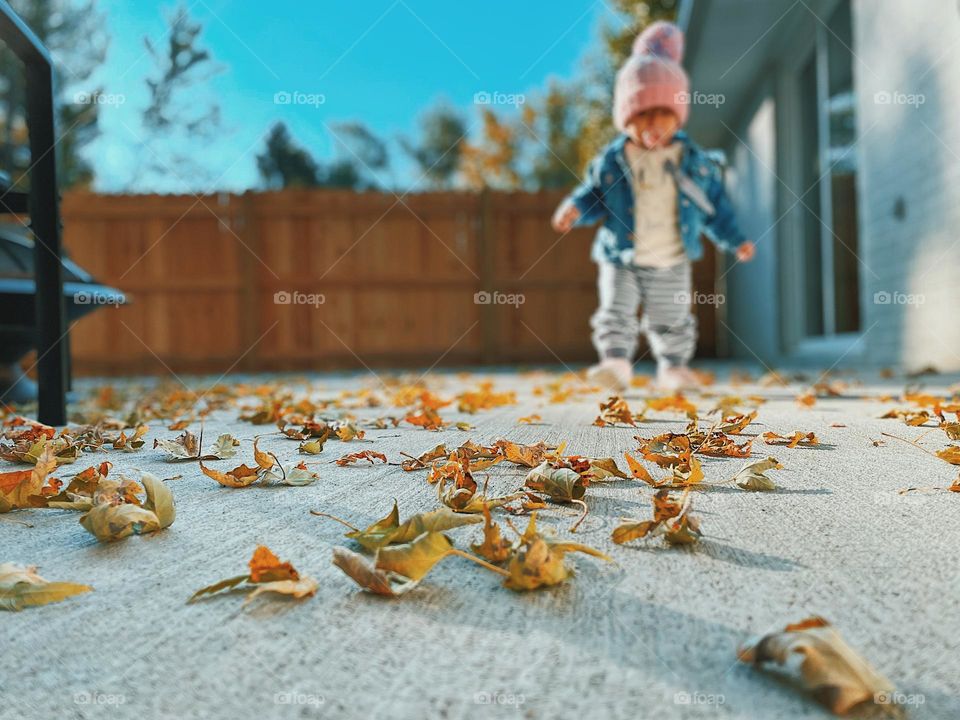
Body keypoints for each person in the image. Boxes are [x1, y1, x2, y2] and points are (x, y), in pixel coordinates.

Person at [551, 20, 755, 392]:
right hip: (621, 255)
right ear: (626, 117)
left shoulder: (693, 162)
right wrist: (575, 210)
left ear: (677, 116)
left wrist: (735, 239)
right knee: (615, 312)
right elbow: (593, 196)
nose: (652, 123)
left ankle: (674, 369)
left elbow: (714, 207)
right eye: (641, 113)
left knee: (673, 316)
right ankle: (615, 363)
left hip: (671, 255)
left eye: (662, 112)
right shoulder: (613, 161)